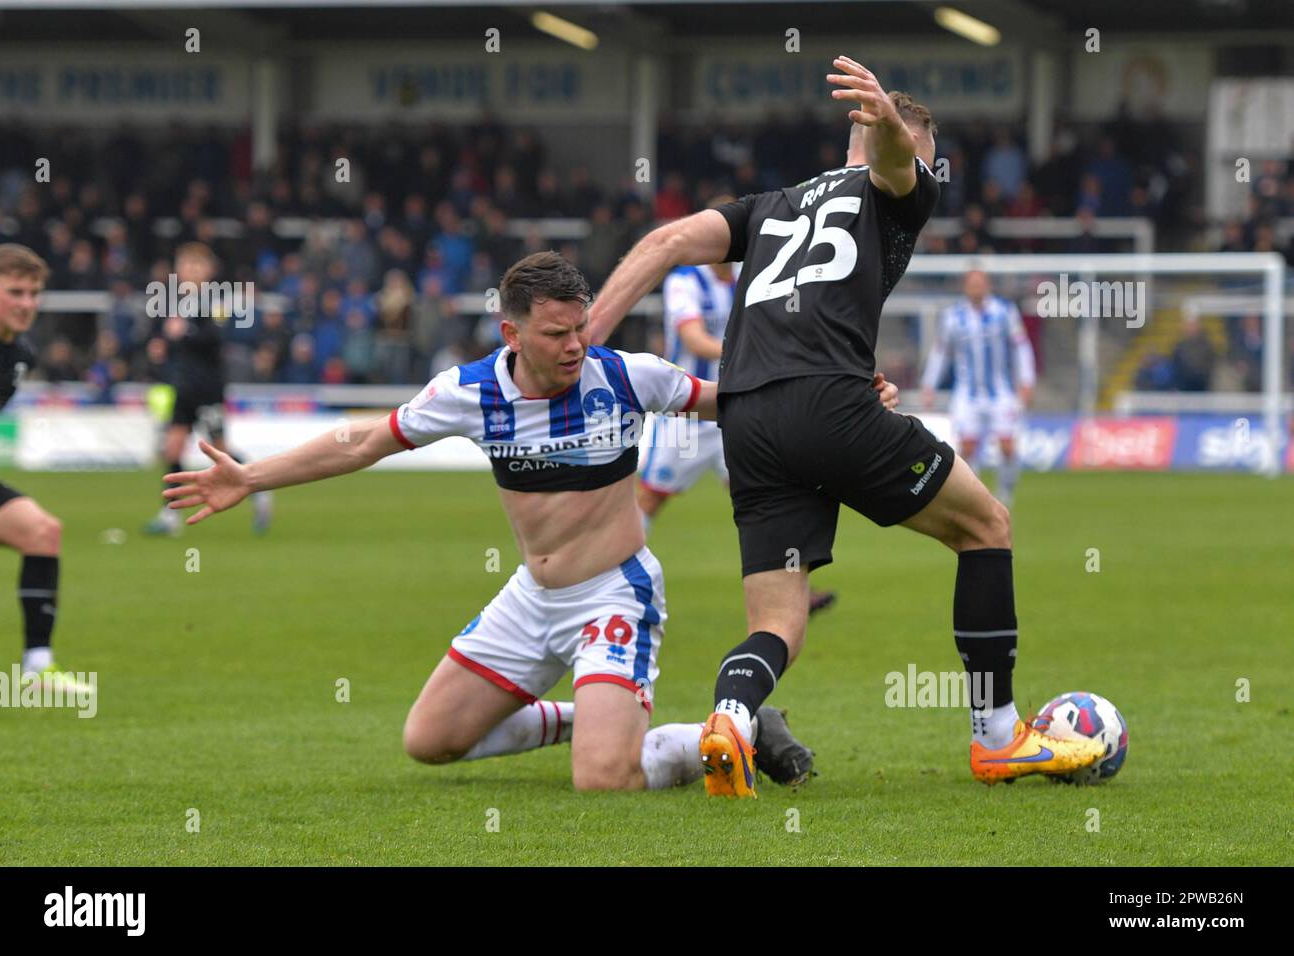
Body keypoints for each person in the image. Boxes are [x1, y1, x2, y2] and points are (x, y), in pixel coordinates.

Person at [163, 252, 900, 790]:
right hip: (530, 600)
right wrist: (250, 476)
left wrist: (844, 394)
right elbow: (362, 440)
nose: (575, 344)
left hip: (614, 595)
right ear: (512, 334)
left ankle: (722, 731)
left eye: (580, 327)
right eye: (556, 334)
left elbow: (740, 399)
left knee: (603, 784)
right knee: (428, 742)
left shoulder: (624, 376)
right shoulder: (470, 393)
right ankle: (593, 712)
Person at [588, 57, 1102, 796]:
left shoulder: (767, 206)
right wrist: (893, 129)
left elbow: (666, 243)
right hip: (829, 408)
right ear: (912, 154)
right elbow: (895, 165)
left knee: (781, 620)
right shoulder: (898, 187)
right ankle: (998, 737)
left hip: (747, 417)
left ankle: (731, 718)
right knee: (986, 525)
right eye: (924, 164)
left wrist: (590, 344)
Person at [638, 198, 839, 614]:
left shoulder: (754, 277)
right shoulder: (684, 280)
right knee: (650, 498)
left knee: (766, 498)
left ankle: (797, 592)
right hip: (688, 410)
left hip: (737, 410)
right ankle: (611, 578)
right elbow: (692, 339)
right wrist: (748, 352)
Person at [0, 244, 89, 690]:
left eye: (34, 293)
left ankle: (37, 666)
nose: (27, 303)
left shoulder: (19, 355)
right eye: (15, 291)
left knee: (42, 532)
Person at [143, 242, 273, 535]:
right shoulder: (173, 302)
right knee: (172, 448)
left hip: (208, 388)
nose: (190, 271)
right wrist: (160, 347)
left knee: (219, 451)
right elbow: (169, 339)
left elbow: (216, 338)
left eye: (196, 266)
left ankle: (260, 487)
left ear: (209, 271)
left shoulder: (216, 302)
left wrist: (184, 333)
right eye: (186, 265)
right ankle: (170, 517)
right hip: (183, 388)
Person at [920, 269, 1035, 508]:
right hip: (967, 394)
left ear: (987, 285)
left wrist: (1026, 380)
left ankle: (1005, 494)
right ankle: (977, 498)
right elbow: (941, 353)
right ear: (965, 286)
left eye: (980, 283)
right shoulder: (954, 316)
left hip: (1000, 392)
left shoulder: (1004, 312)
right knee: (968, 448)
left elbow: (1021, 347)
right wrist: (929, 384)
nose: (976, 287)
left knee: (1007, 445)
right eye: (972, 283)